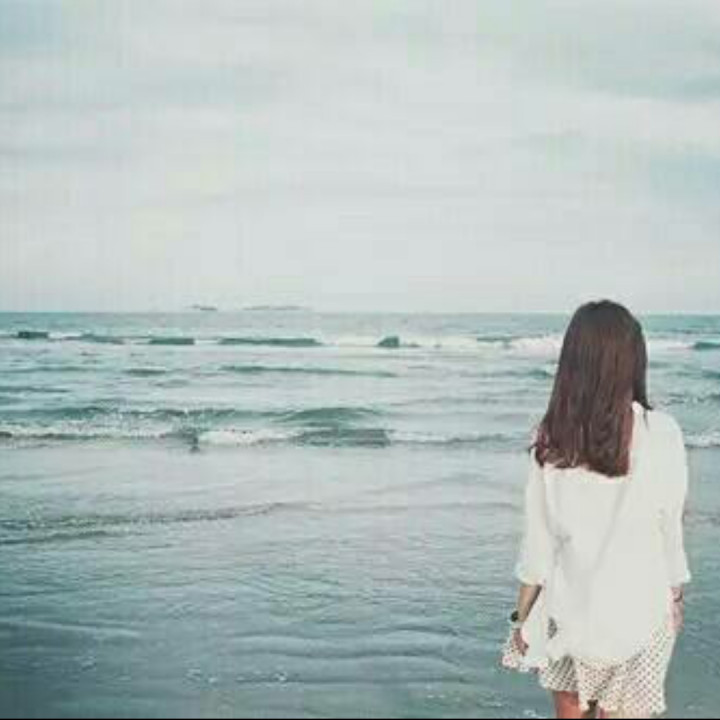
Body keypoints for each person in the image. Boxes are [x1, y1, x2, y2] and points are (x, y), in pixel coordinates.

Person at [502, 300, 691, 719]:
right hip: (642, 613)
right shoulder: (663, 432)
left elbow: (538, 550)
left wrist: (520, 619)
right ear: (633, 360)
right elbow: (670, 530)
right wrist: (675, 596)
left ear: (573, 362)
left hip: (569, 613)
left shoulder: (553, 440)